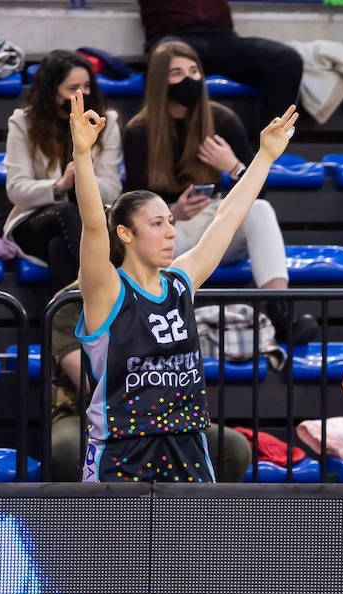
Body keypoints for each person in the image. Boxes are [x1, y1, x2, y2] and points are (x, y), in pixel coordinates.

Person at [70, 89, 298, 482]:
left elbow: (228, 216)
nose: (169, 232)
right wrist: (81, 154)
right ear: (124, 233)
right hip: (124, 448)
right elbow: (93, 224)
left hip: (187, 442)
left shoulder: (180, 281)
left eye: (170, 222)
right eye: (156, 224)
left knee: (195, 546)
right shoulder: (107, 289)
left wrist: (265, 157)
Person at [123, 40, 316, 345]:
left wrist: (234, 166)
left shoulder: (222, 119)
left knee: (260, 211)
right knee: (153, 232)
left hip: (216, 219)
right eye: (176, 73)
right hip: (172, 229)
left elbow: (260, 192)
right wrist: (171, 212)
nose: (188, 79)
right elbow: (130, 203)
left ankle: (281, 311)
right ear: (160, 81)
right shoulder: (139, 131)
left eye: (193, 70)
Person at [46, 281, 250, 484]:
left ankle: (185, 513)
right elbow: (92, 382)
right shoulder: (71, 300)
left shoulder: (165, 289)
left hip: (164, 413)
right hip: (84, 413)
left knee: (233, 448)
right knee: (66, 449)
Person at [4, 51, 122, 306]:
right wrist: (61, 185)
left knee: (61, 248)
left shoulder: (105, 121)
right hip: (37, 220)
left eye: (87, 86)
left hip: (88, 223)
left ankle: (63, 332)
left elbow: (112, 189)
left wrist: (85, 178)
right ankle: (108, 296)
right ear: (51, 91)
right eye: (73, 88)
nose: (82, 94)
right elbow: (16, 189)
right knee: (69, 213)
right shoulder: (23, 122)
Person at [136, 0, 303, 127]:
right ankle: (168, 152)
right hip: (172, 36)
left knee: (286, 60)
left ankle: (266, 151)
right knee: (165, 59)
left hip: (220, 37)